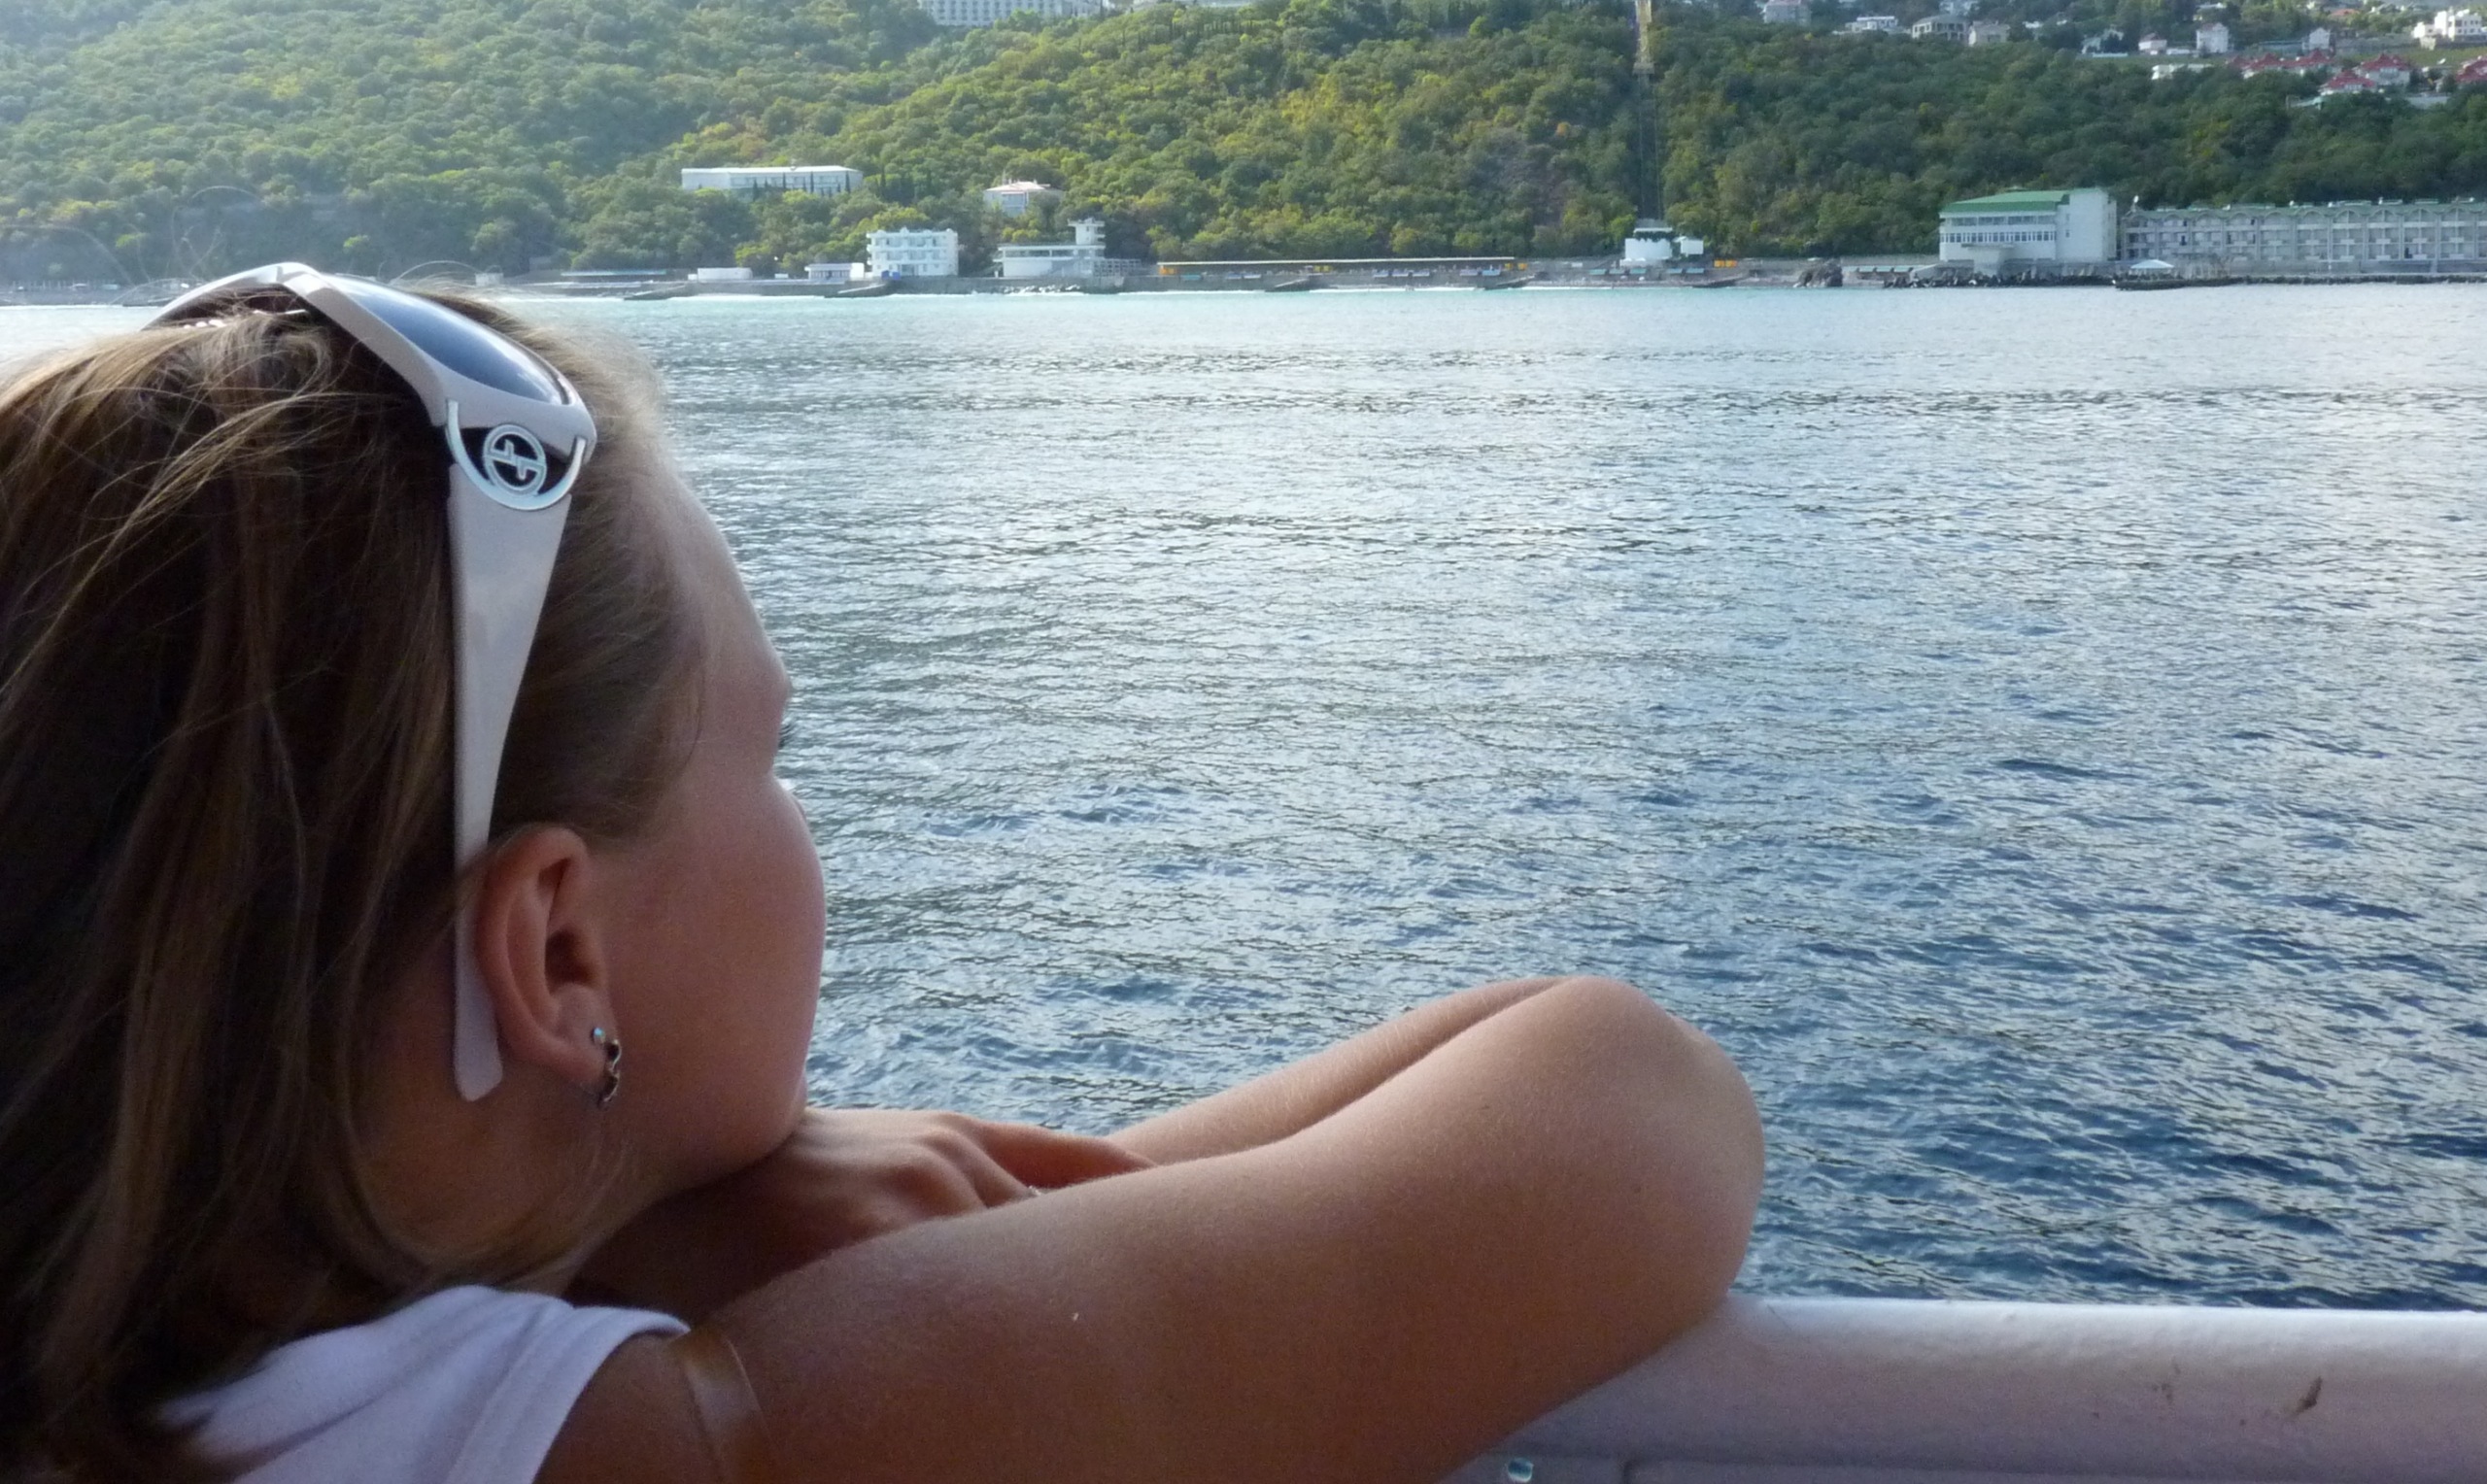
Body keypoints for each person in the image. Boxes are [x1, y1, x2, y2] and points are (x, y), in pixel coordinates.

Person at [0, 266, 1764, 1484]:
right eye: (774, 754)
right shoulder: (728, 1444)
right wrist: (644, 1244)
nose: (798, 813)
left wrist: (587, 1221)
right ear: (556, 955)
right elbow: (1626, 1096)